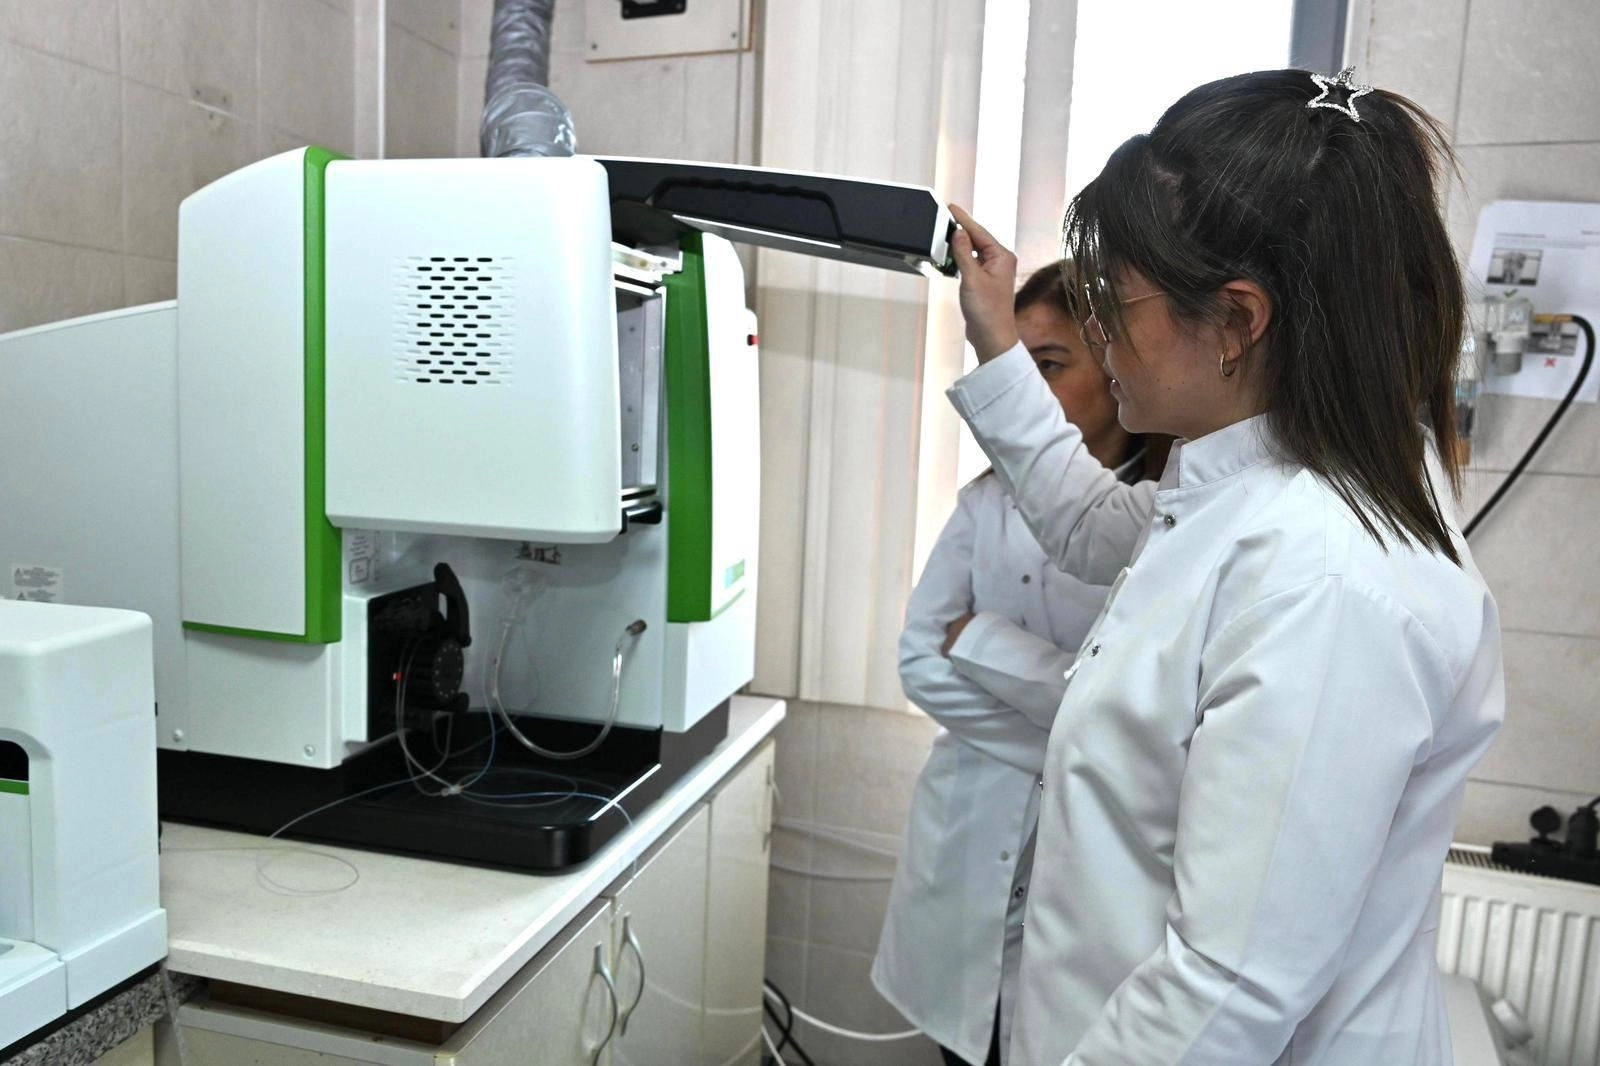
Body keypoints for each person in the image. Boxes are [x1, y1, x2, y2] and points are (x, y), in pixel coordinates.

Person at [943, 69, 1505, 1064]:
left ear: (1239, 321)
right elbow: (1092, 524)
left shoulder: (1325, 580)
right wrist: (998, 344)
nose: (1096, 333)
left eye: (1113, 302)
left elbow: (1224, 990)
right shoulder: (1253, 483)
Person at [873, 262, 1165, 1066]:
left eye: (1049, 364)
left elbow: (1138, 711)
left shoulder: (1166, 519)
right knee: (965, 1044)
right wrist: (1074, 739)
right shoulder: (985, 501)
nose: (1024, 391)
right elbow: (919, 662)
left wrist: (985, 645)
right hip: (967, 843)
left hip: (1089, 873)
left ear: (1116, 370)